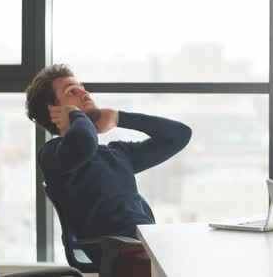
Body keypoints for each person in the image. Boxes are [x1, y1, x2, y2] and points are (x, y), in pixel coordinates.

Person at [25, 64, 191, 277]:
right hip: (126, 255)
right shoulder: (53, 154)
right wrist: (76, 115)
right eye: (72, 92)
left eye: (82, 87)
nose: (84, 93)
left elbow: (180, 136)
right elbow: (84, 142)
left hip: (150, 247)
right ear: (54, 110)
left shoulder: (118, 153)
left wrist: (119, 117)